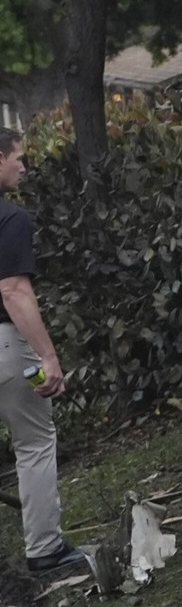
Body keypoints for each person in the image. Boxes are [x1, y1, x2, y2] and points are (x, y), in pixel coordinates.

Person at [0, 128, 73, 578]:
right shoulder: (11, 219)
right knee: (34, 442)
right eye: (18, 158)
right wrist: (48, 357)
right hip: (9, 350)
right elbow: (13, 291)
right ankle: (45, 549)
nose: (24, 167)